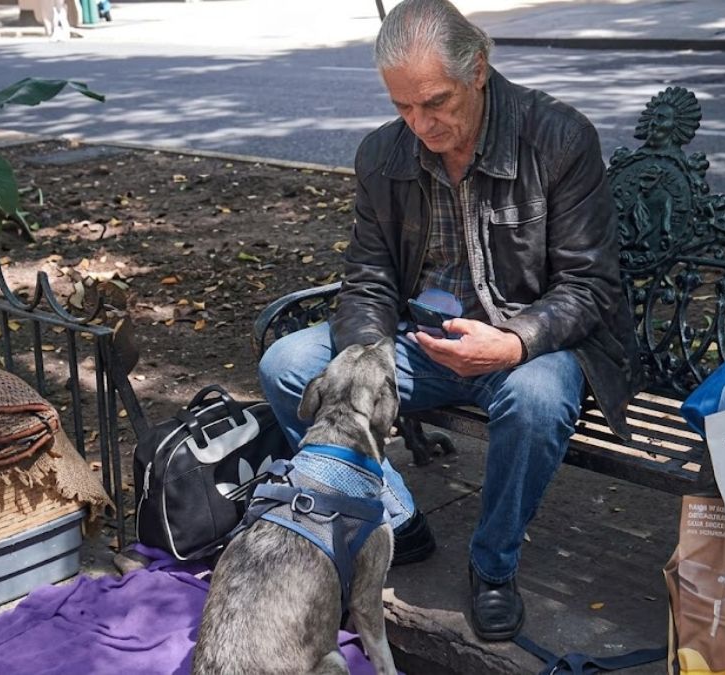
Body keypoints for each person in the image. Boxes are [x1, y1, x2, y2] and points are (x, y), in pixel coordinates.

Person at [258, 0, 636, 642]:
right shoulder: (384, 154)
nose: (420, 124)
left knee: (537, 399)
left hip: (532, 344)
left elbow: (591, 284)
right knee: (288, 364)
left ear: (478, 71)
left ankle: (493, 566)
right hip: (423, 343)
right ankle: (395, 515)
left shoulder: (558, 138)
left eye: (435, 102)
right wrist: (368, 357)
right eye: (403, 106)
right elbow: (370, 276)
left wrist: (516, 341)